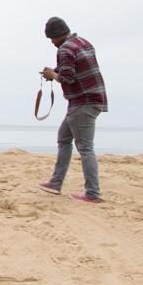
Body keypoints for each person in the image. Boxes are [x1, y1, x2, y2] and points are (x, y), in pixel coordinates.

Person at [37, 17, 108, 203]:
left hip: (83, 101)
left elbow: (68, 78)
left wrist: (53, 74)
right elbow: (72, 70)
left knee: (85, 148)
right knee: (64, 138)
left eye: (51, 39)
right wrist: (54, 72)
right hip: (93, 98)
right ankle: (55, 182)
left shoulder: (65, 49)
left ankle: (92, 193)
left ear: (57, 35)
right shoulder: (82, 42)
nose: (52, 43)